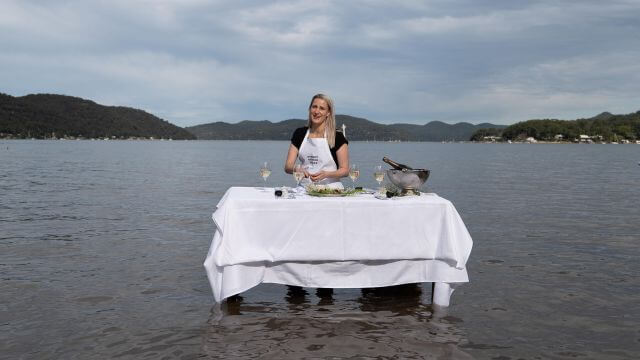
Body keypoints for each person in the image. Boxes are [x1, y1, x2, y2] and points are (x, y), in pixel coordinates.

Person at [284, 93, 349, 189]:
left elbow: (345, 170)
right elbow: (288, 166)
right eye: (314, 107)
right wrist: (296, 168)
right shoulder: (299, 133)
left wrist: (327, 174)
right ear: (310, 109)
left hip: (331, 191)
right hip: (304, 190)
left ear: (328, 113)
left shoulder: (337, 136)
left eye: (322, 108)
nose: (316, 111)